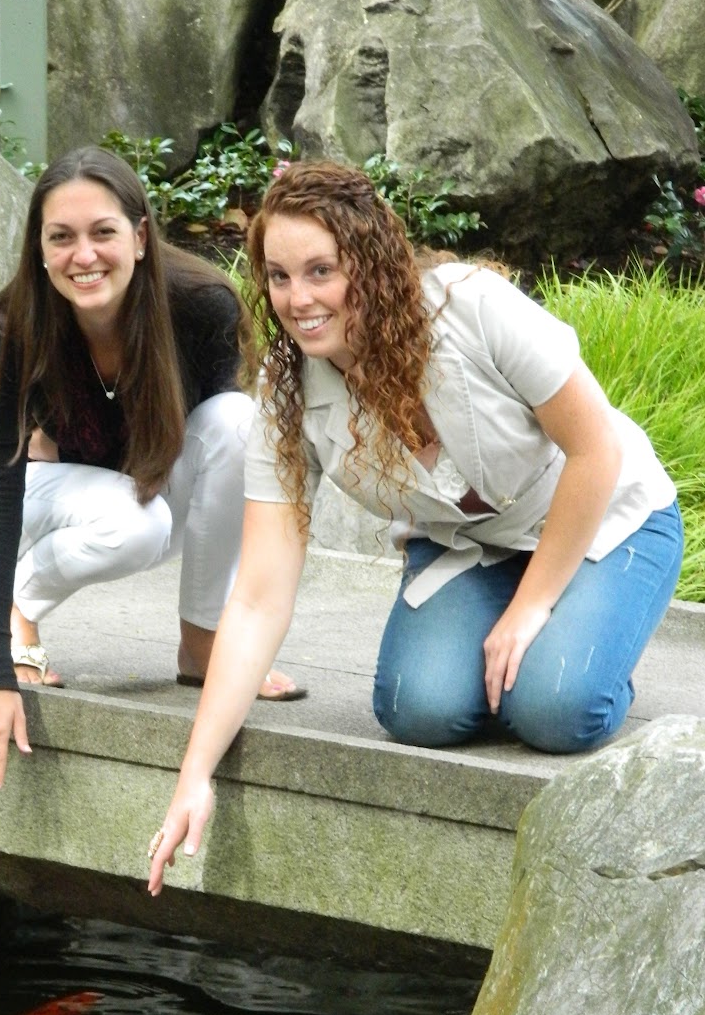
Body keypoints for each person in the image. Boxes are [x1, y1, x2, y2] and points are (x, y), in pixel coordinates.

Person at [147, 159, 682, 892]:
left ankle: (587, 646)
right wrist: (194, 774)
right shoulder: (286, 389)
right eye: (279, 277)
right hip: (472, 551)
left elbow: (595, 450)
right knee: (416, 709)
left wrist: (531, 609)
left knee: (558, 708)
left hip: (605, 517)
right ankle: (528, 643)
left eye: (321, 271)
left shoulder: (473, 307)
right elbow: (260, 596)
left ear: (368, 263)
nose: (299, 299)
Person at [0, 145, 303, 796]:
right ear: (39, 247)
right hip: (34, 499)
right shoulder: (19, 319)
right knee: (133, 522)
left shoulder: (200, 306)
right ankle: (19, 610)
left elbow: (214, 457)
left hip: (135, 491)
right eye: (61, 237)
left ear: (140, 237)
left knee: (238, 422)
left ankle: (204, 644)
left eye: (103, 232)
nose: (83, 255)